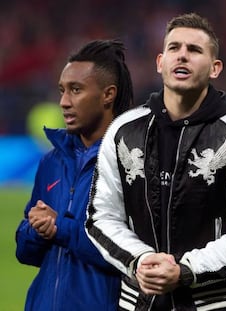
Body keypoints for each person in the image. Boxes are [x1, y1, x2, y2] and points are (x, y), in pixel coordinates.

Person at [85, 12, 226, 311]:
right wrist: (142, 260)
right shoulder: (123, 131)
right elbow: (101, 217)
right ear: (160, 62)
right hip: (139, 302)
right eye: (174, 48)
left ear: (215, 68)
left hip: (212, 304)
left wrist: (186, 271)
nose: (182, 56)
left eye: (194, 50)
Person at [15, 39, 134, 311]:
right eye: (62, 91)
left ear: (108, 95)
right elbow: (25, 252)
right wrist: (35, 229)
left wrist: (61, 228)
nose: (63, 102)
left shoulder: (130, 164)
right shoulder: (52, 162)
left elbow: (130, 255)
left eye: (76, 90)